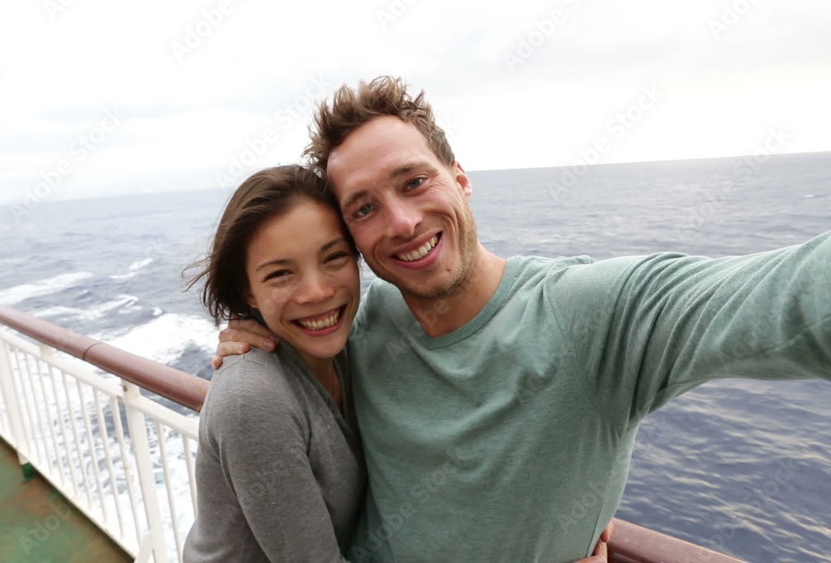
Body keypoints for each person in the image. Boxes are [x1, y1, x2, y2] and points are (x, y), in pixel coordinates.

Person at [215, 76, 831, 562]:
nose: (401, 222)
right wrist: (259, 333)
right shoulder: (367, 323)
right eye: (364, 208)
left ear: (461, 180)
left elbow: (788, 295)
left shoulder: (590, 312)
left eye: (415, 181)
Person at [182, 165, 365, 561]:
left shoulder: (354, 345)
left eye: (334, 257)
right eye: (281, 274)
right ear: (248, 290)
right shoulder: (253, 400)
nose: (316, 292)